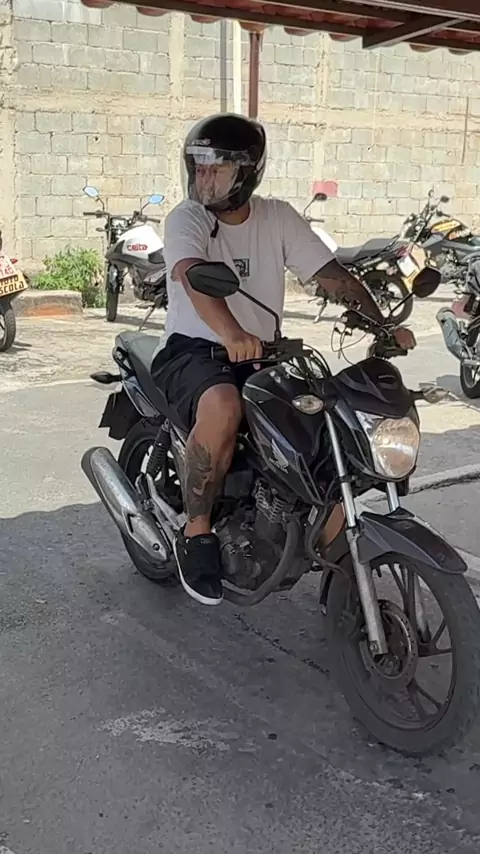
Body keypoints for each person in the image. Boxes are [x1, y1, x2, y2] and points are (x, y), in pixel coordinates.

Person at [152, 112, 416, 607]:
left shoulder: (277, 217)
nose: (204, 178)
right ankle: (197, 529)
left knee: (323, 422)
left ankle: (316, 533)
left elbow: (330, 275)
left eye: (216, 168)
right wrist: (231, 333)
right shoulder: (188, 219)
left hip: (262, 352)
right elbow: (191, 274)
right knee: (224, 407)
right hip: (194, 349)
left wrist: (380, 324)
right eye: (198, 166)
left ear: (246, 172)